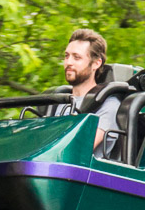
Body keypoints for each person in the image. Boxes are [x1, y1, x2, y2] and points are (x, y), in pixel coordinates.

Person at [50, 28, 117, 157]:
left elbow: (75, 150)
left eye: (77, 57)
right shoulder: (59, 104)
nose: (68, 62)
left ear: (96, 63)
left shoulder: (108, 105)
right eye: (66, 56)